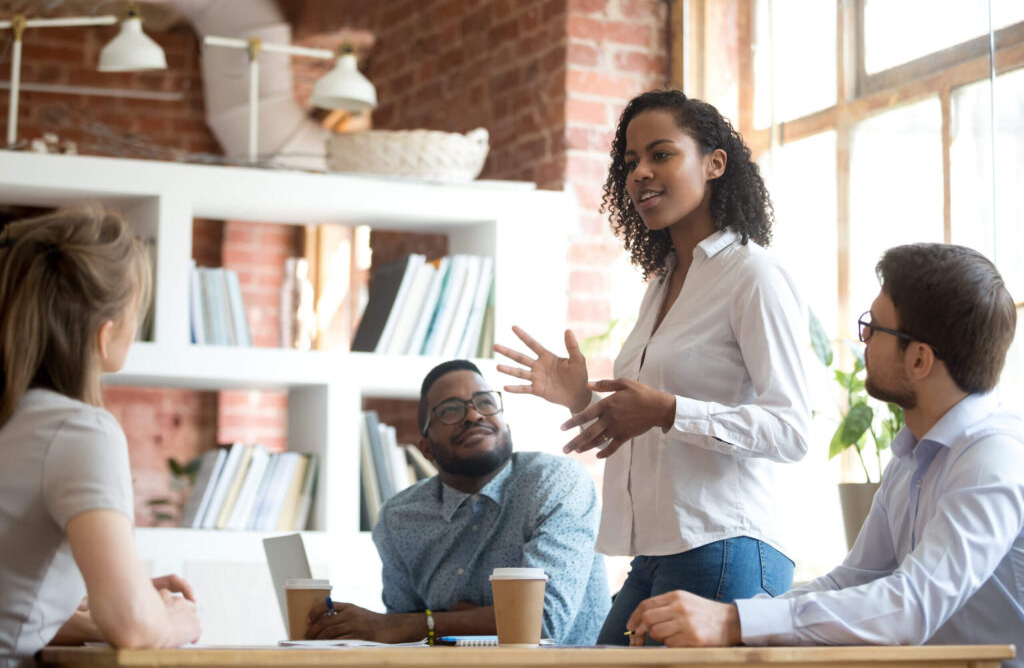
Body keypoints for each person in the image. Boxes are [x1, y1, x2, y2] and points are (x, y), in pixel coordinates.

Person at [494, 89, 811, 644]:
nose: (640, 173)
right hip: (657, 553)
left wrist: (666, 410)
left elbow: (791, 430)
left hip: (727, 545)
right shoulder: (662, 284)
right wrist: (579, 399)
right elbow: (650, 420)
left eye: (660, 154)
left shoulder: (753, 277)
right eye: (629, 162)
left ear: (715, 163)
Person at [626, 243, 1023, 662]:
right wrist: (731, 616)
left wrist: (733, 623)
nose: (863, 340)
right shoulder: (913, 458)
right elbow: (848, 583)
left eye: (874, 328)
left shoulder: (993, 457)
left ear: (920, 360)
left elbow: (910, 606)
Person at [0, 208, 201, 668]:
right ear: (105, 335)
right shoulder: (79, 431)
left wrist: (119, 605)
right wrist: (171, 620)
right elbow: (133, 626)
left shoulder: (15, 418)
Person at [304, 359, 609, 645]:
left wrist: (422, 624)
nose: (474, 415)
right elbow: (405, 642)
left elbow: (540, 623)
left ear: (507, 427)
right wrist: (449, 622)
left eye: (486, 403)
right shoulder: (399, 518)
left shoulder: (556, 483)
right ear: (426, 449)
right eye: (450, 410)